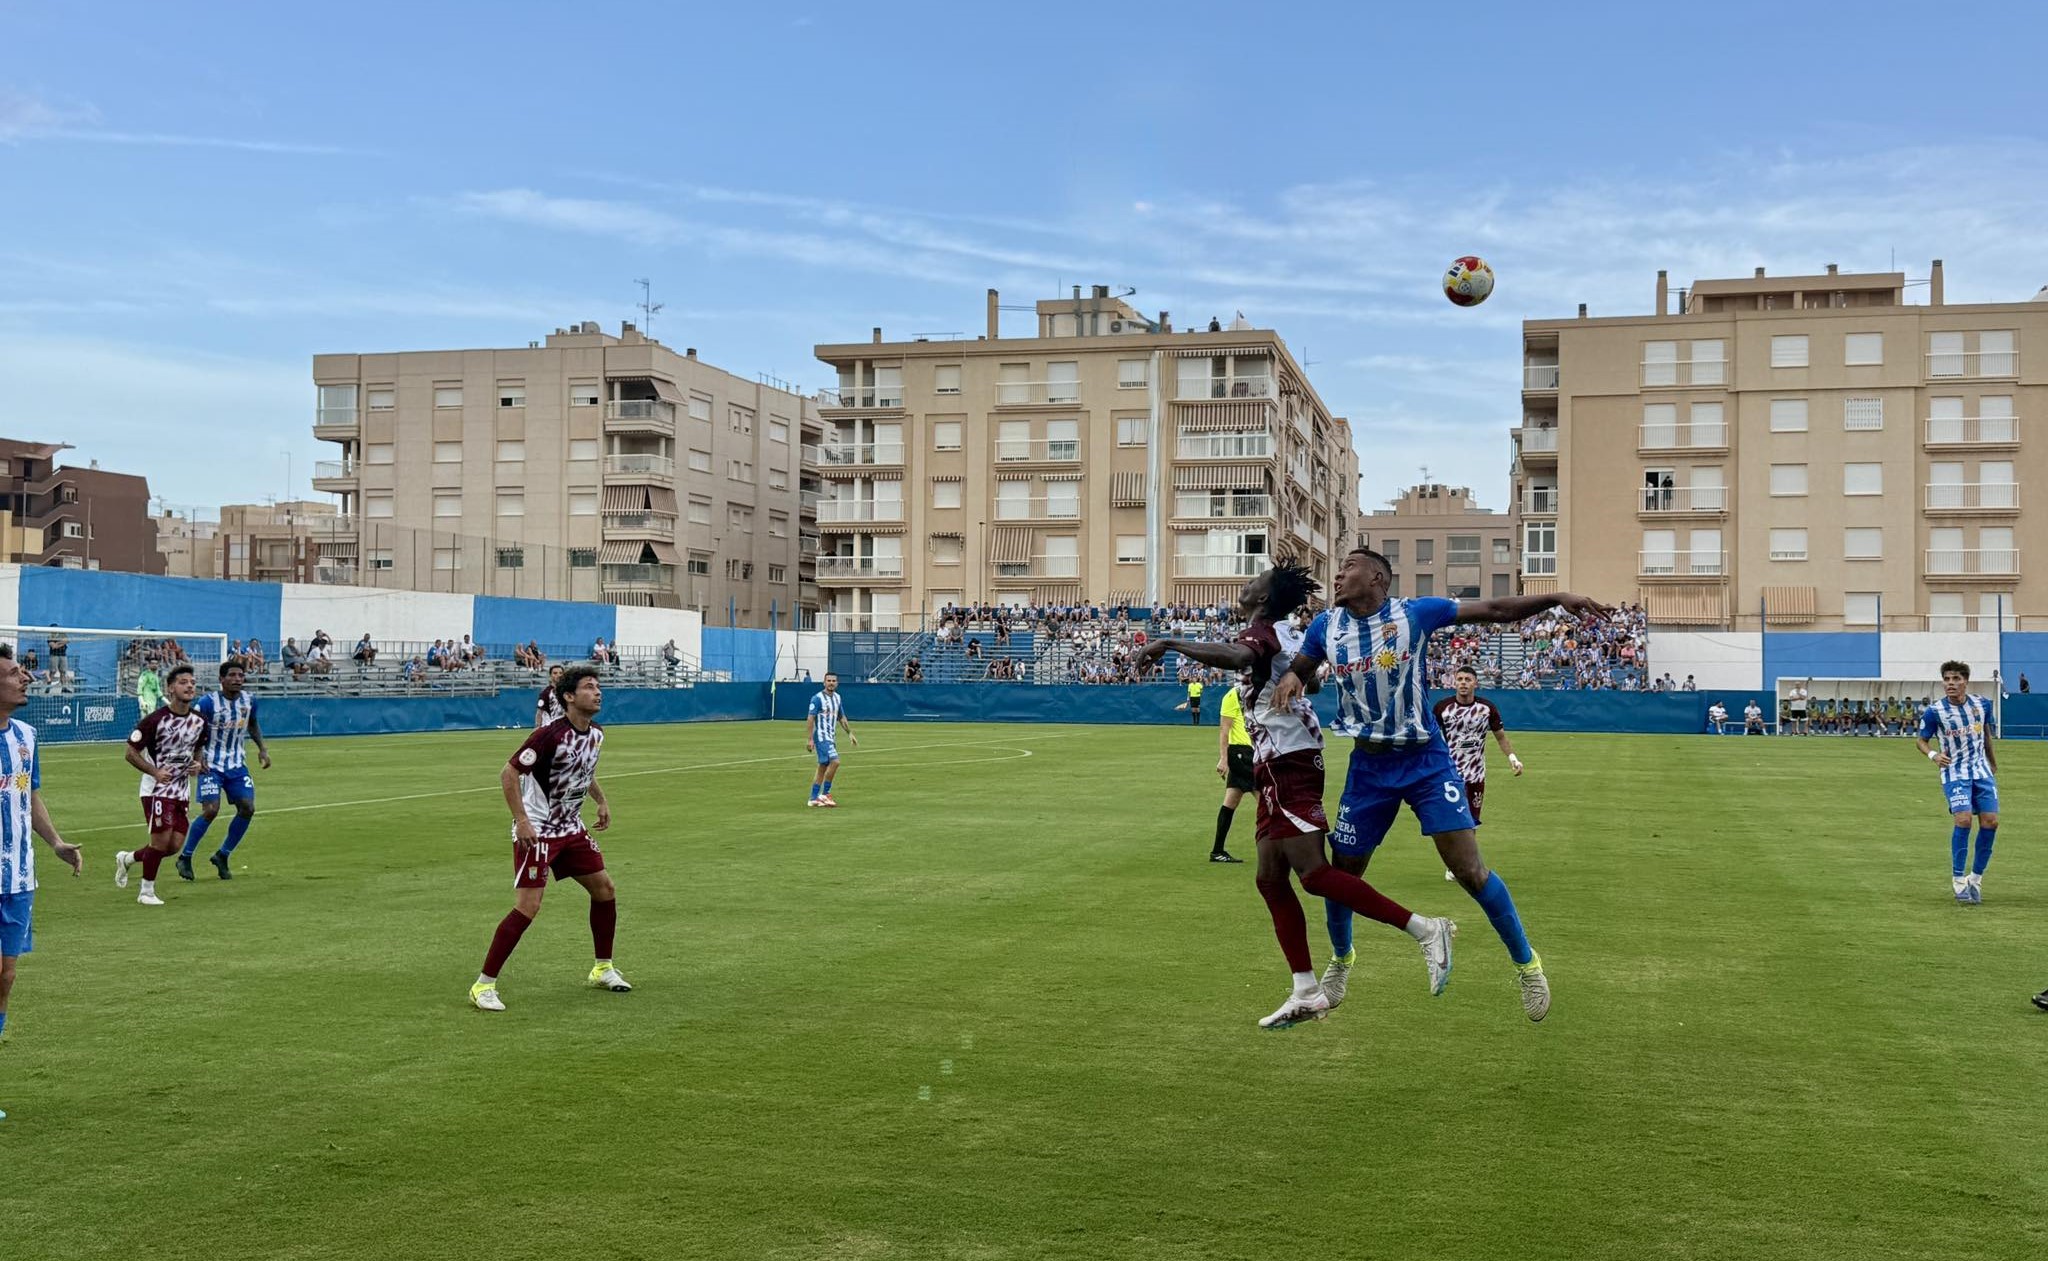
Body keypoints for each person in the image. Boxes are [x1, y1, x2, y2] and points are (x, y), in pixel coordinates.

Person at [1273, 547, 1613, 1023]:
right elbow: (1304, 666)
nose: (1338, 575)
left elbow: (1495, 609)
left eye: (1349, 567)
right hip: (1368, 767)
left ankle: (1527, 965)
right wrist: (1291, 677)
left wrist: (1556, 597)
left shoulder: (1415, 614)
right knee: (1343, 875)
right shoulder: (1326, 626)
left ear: (1377, 578)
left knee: (1469, 871)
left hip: (1426, 762)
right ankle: (1342, 960)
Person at [1140, 560, 1454, 1029]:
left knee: (1313, 873)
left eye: (1253, 582)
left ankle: (1425, 929)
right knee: (1270, 878)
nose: (1245, 585)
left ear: (1263, 599)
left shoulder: (1261, 631)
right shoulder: (1286, 632)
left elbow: (1241, 658)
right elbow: (1314, 679)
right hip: (1279, 759)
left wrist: (1170, 643)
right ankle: (1306, 989)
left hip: (1288, 759)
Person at [469, 664, 627, 1012]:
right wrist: (522, 820)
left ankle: (602, 968)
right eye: (589, 687)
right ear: (569, 696)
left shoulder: (596, 734)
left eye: (598, 686)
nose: (598, 692)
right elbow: (509, 773)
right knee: (529, 906)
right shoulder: (548, 736)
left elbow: (584, 771)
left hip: (571, 828)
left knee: (605, 890)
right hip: (538, 832)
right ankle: (483, 985)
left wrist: (600, 800)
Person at [0, 644, 84, 1122]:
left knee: (6, 978)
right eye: (15, 673)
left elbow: (29, 795)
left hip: (18, 878)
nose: (25, 678)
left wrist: (54, 842)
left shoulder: (27, 737)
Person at [116, 664, 209, 907]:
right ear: (170, 689)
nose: (189, 686)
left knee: (173, 846)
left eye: (192, 682)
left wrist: (197, 765)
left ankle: (127, 859)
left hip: (181, 790)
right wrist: (155, 772)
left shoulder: (200, 721)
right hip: (156, 790)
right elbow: (130, 752)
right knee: (160, 842)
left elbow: (198, 749)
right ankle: (146, 892)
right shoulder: (155, 720)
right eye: (183, 682)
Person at [176, 660, 271, 882]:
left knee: (247, 808)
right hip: (210, 764)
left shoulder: (249, 701)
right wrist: (196, 757)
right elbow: (191, 729)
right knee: (211, 810)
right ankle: (185, 857)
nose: (237, 679)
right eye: (232, 675)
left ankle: (222, 855)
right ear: (221, 679)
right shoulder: (208, 703)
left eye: (240, 675)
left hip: (237, 764)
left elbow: (252, 724)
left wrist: (262, 749)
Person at [1917, 661, 1999, 905]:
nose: (1950, 684)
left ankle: (1976, 878)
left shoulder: (1982, 704)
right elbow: (1921, 740)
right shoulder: (1935, 711)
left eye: (1955, 679)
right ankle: (1958, 879)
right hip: (1954, 772)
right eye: (1947, 679)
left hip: (1981, 771)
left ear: (1965, 681)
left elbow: (1985, 734)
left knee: (1991, 822)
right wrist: (1933, 755)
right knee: (1963, 819)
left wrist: (1992, 763)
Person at [1432, 667, 1524, 879]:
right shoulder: (1442, 708)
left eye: (1468, 679)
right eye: (1460, 679)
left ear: (1475, 683)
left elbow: (1501, 737)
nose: (1463, 683)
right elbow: (1431, 738)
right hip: (1450, 775)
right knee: (1451, 822)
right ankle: (1455, 864)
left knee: (1471, 821)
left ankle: (1463, 864)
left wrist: (1513, 758)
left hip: (1476, 775)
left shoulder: (1486, 708)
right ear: (1454, 682)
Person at [1209, 677, 1253, 864]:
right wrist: (1224, 758)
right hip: (1242, 754)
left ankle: (1217, 851)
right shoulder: (1232, 696)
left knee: (1230, 802)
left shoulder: (1255, 693)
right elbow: (1224, 729)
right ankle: (1277, 853)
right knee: (1269, 804)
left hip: (1249, 753)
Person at [807, 673, 856, 807]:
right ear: (824, 683)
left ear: (837, 683)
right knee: (835, 761)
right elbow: (810, 718)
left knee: (822, 767)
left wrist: (850, 733)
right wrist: (810, 739)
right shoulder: (817, 698)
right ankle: (825, 794)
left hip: (831, 737)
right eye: (828, 680)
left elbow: (841, 717)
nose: (831, 683)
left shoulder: (837, 698)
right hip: (822, 737)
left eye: (833, 681)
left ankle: (813, 798)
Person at [535, 664, 566, 729]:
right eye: (555, 673)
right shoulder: (546, 692)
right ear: (550, 675)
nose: (558, 675)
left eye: (560, 673)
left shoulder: (568, 691)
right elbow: (539, 712)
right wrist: (537, 727)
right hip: (551, 727)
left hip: (564, 726)